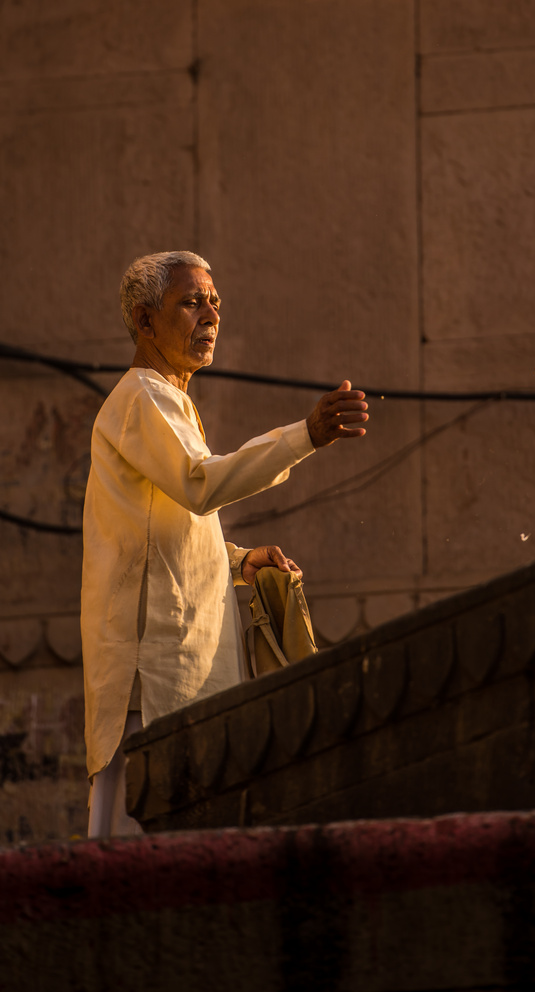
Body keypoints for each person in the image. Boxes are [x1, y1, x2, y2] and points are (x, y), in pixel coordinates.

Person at [81, 251, 369, 837]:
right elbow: (200, 484)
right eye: (191, 301)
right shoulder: (144, 395)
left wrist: (238, 562)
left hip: (180, 681)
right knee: (142, 862)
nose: (210, 313)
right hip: (155, 683)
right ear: (144, 321)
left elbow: (162, 530)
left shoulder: (166, 401)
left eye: (215, 301)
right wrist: (304, 436)